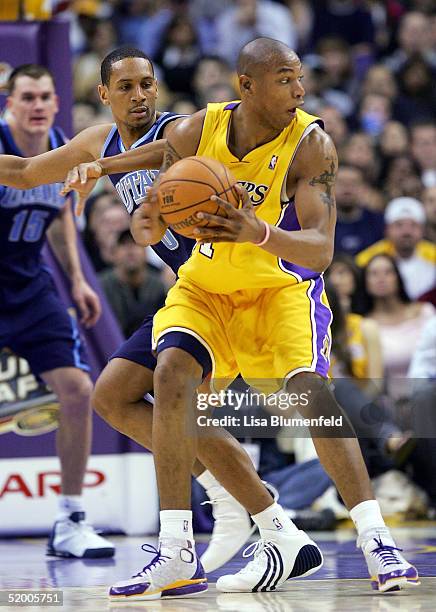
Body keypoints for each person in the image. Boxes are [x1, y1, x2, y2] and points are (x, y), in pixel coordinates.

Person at [98, 38, 418, 599]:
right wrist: (122, 190)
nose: (300, 90)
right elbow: (161, 164)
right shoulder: (203, 127)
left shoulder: (311, 145)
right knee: (169, 375)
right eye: (286, 79)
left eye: (300, 78)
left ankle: (376, 539)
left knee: (311, 396)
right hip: (208, 286)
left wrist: (259, 232)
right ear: (246, 85)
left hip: (277, 289)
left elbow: (320, 251)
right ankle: (176, 549)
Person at [0, 47, 297, 578]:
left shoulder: (181, 133)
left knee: (179, 411)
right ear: (103, 94)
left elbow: (199, 154)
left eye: (147, 84)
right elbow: (23, 172)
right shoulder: (97, 140)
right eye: (126, 87)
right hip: (192, 291)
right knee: (112, 396)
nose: (139, 96)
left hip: (236, 294)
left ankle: (265, 522)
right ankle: (233, 498)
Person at [0, 64, 114, 558]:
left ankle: (70, 519)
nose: (39, 105)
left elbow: (62, 218)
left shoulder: (64, 145)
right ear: (10, 102)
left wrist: (76, 279)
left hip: (29, 283)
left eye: (46, 95)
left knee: (78, 389)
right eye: (28, 97)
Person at [356, 197, 436, 300]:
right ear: (387, 229)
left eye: (413, 225)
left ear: (423, 230)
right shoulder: (368, 259)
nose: (406, 232)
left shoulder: (433, 255)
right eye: (399, 225)